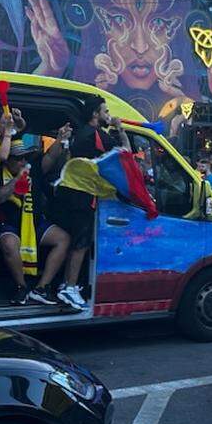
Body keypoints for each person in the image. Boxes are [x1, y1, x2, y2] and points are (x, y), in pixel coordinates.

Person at [50, 95, 130, 308]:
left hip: (72, 193)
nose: (108, 116)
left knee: (76, 241)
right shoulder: (95, 134)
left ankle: (67, 286)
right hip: (83, 195)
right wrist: (120, 129)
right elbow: (126, 153)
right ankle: (69, 287)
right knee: (81, 244)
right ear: (95, 114)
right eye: (105, 112)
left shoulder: (80, 134)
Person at [0, 136, 73, 306]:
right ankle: (21, 287)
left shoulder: (33, 169)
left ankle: (41, 288)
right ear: (8, 161)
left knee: (64, 239)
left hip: (35, 223)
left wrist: (60, 138)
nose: (23, 162)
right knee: (10, 244)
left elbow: (51, 157)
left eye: (24, 158)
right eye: (18, 159)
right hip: (9, 225)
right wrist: (17, 179)